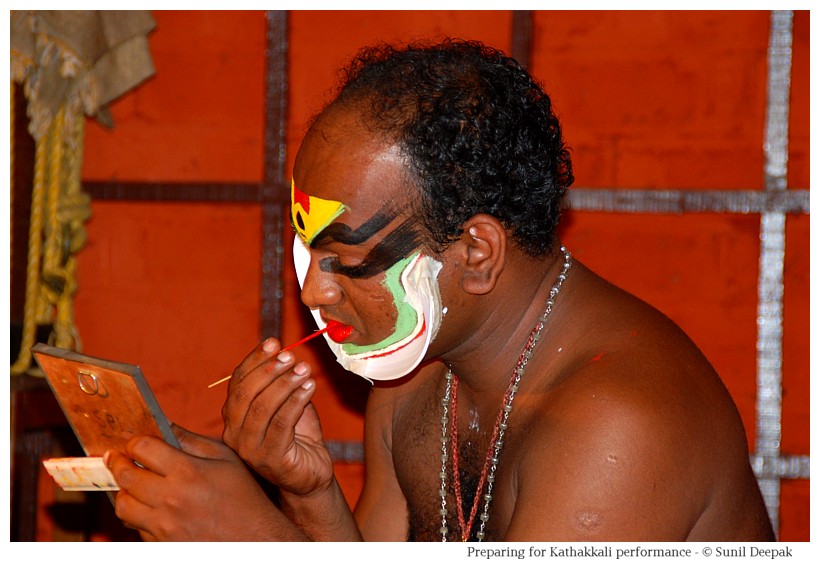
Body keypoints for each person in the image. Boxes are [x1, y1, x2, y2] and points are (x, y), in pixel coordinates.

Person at [106, 39, 775, 542]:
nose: (313, 290)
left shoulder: (621, 429)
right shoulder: (413, 384)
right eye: (307, 253)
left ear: (477, 254)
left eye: (347, 260)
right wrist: (307, 493)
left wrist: (253, 540)